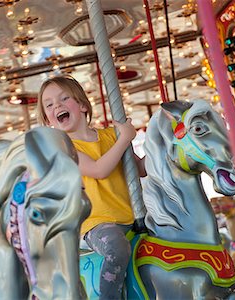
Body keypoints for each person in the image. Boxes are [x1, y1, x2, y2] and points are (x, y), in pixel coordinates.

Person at [38, 75, 145, 299]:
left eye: (64, 98)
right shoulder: (64, 148)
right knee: (117, 250)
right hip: (96, 223)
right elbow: (98, 170)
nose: (57, 105)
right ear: (48, 120)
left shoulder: (110, 136)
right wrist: (125, 139)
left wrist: (164, 147)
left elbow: (139, 169)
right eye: (49, 105)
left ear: (83, 105)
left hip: (131, 217)